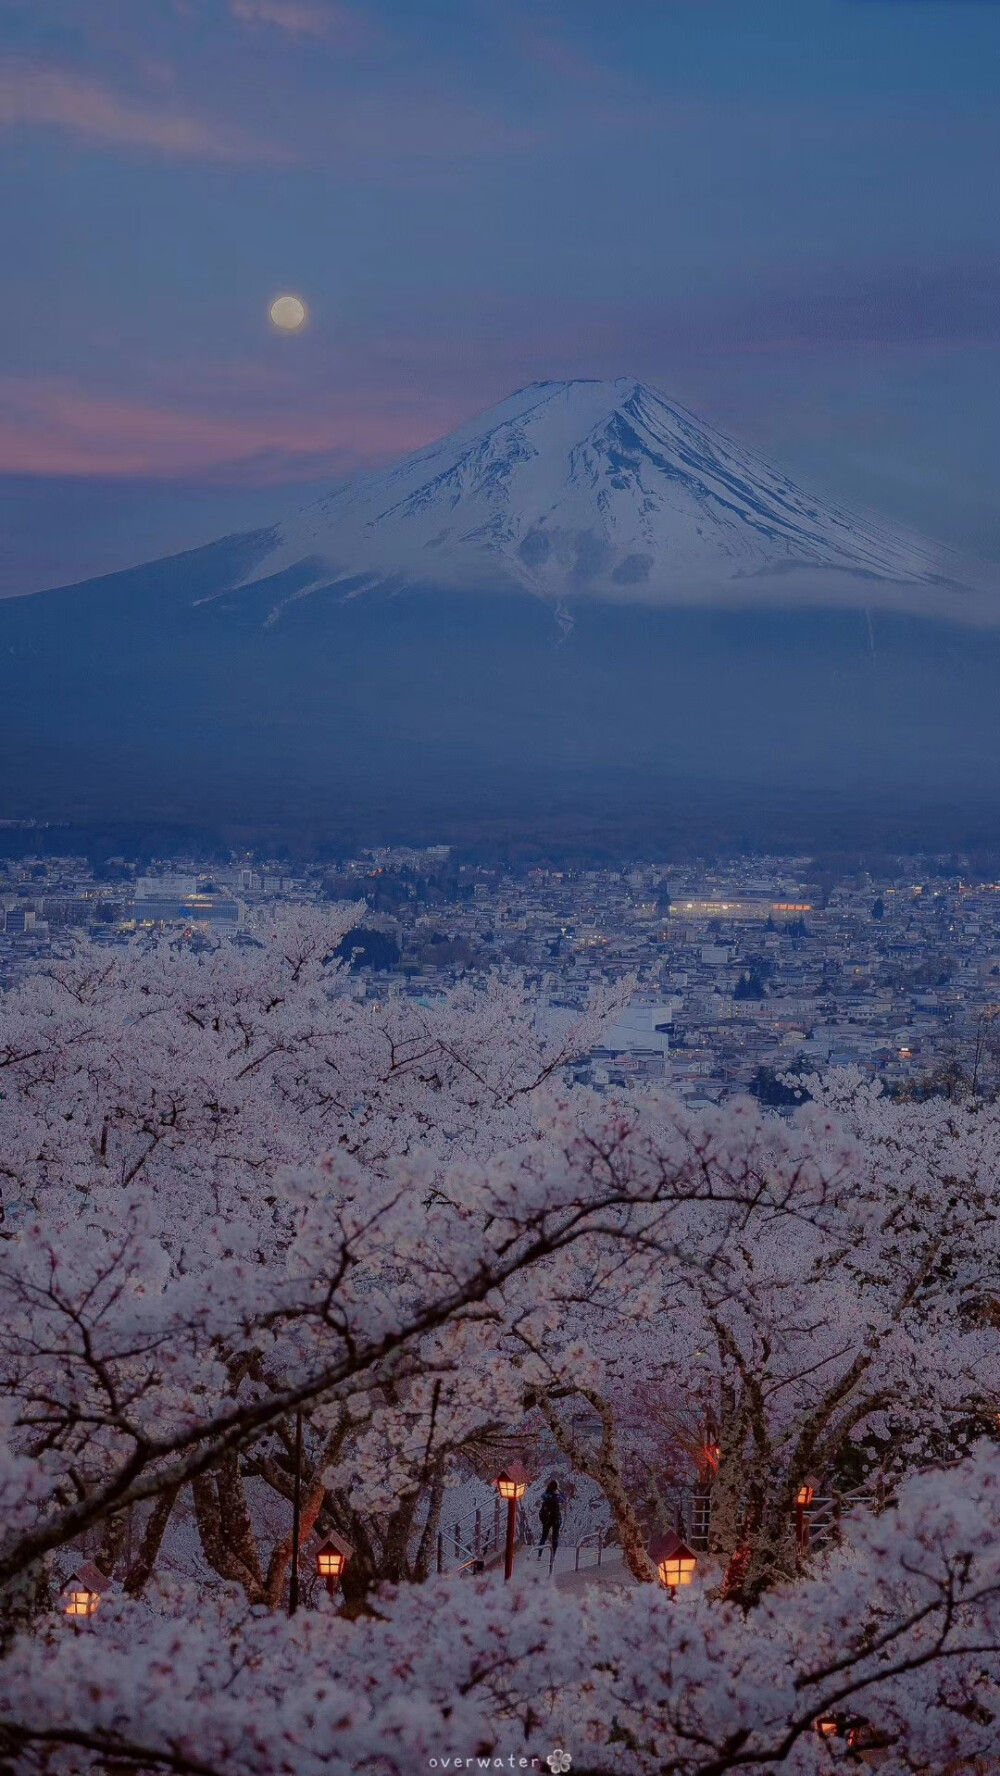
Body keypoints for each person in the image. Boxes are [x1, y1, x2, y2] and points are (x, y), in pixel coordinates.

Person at [537, 1479, 564, 1567]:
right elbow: (564, 1499)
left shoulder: (545, 1495)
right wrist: (559, 1490)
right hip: (556, 1518)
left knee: (543, 1537)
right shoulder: (557, 1496)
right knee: (555, 1537)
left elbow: (541, 1498)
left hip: (547, 1518)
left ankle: (539, 1555)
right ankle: (553, 1556)